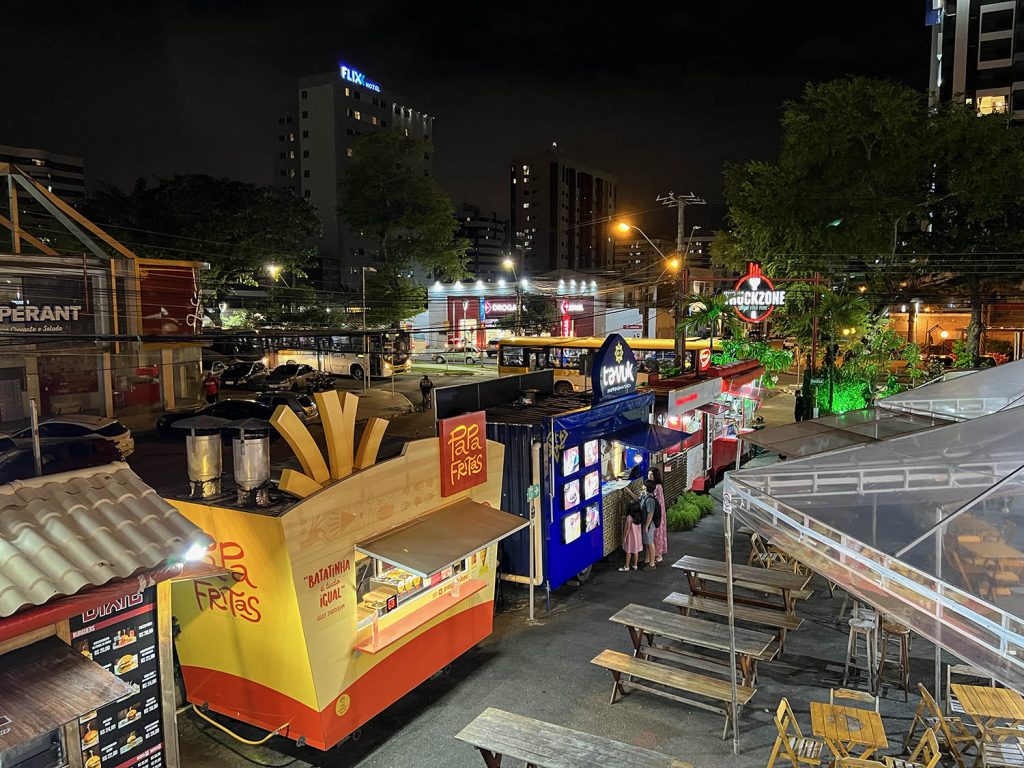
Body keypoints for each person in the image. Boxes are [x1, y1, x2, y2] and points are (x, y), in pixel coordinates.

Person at [647, 467, 668, 563]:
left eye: (652, 475)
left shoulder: (657, 487)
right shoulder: (654, 485)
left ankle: (658, 555)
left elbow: (657, 501)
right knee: (655, 534)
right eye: (649, 474)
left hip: (657, 514)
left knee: (657, 534)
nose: (650, 476)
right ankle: (655, 555)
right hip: (657, 513)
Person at [620, 496, 644, 572]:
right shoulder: (639, 516)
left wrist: (624, 537)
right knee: (636, 551)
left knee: (628, 551)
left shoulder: (629, 517)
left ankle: (626, 566)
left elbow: (627, 529)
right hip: (637, 537)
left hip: (630, 537)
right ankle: (635, 565)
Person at [640, 480, 659, 568]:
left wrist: (646, 526)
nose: (642, 486)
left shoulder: (650, 500)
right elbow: (638, 499)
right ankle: (647, 560)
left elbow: (650, 514)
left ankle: (652, 563)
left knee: (650, 542)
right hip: (647, 524)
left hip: (649, 524)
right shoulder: (646, 496)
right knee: (647, 542)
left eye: (644, 485)